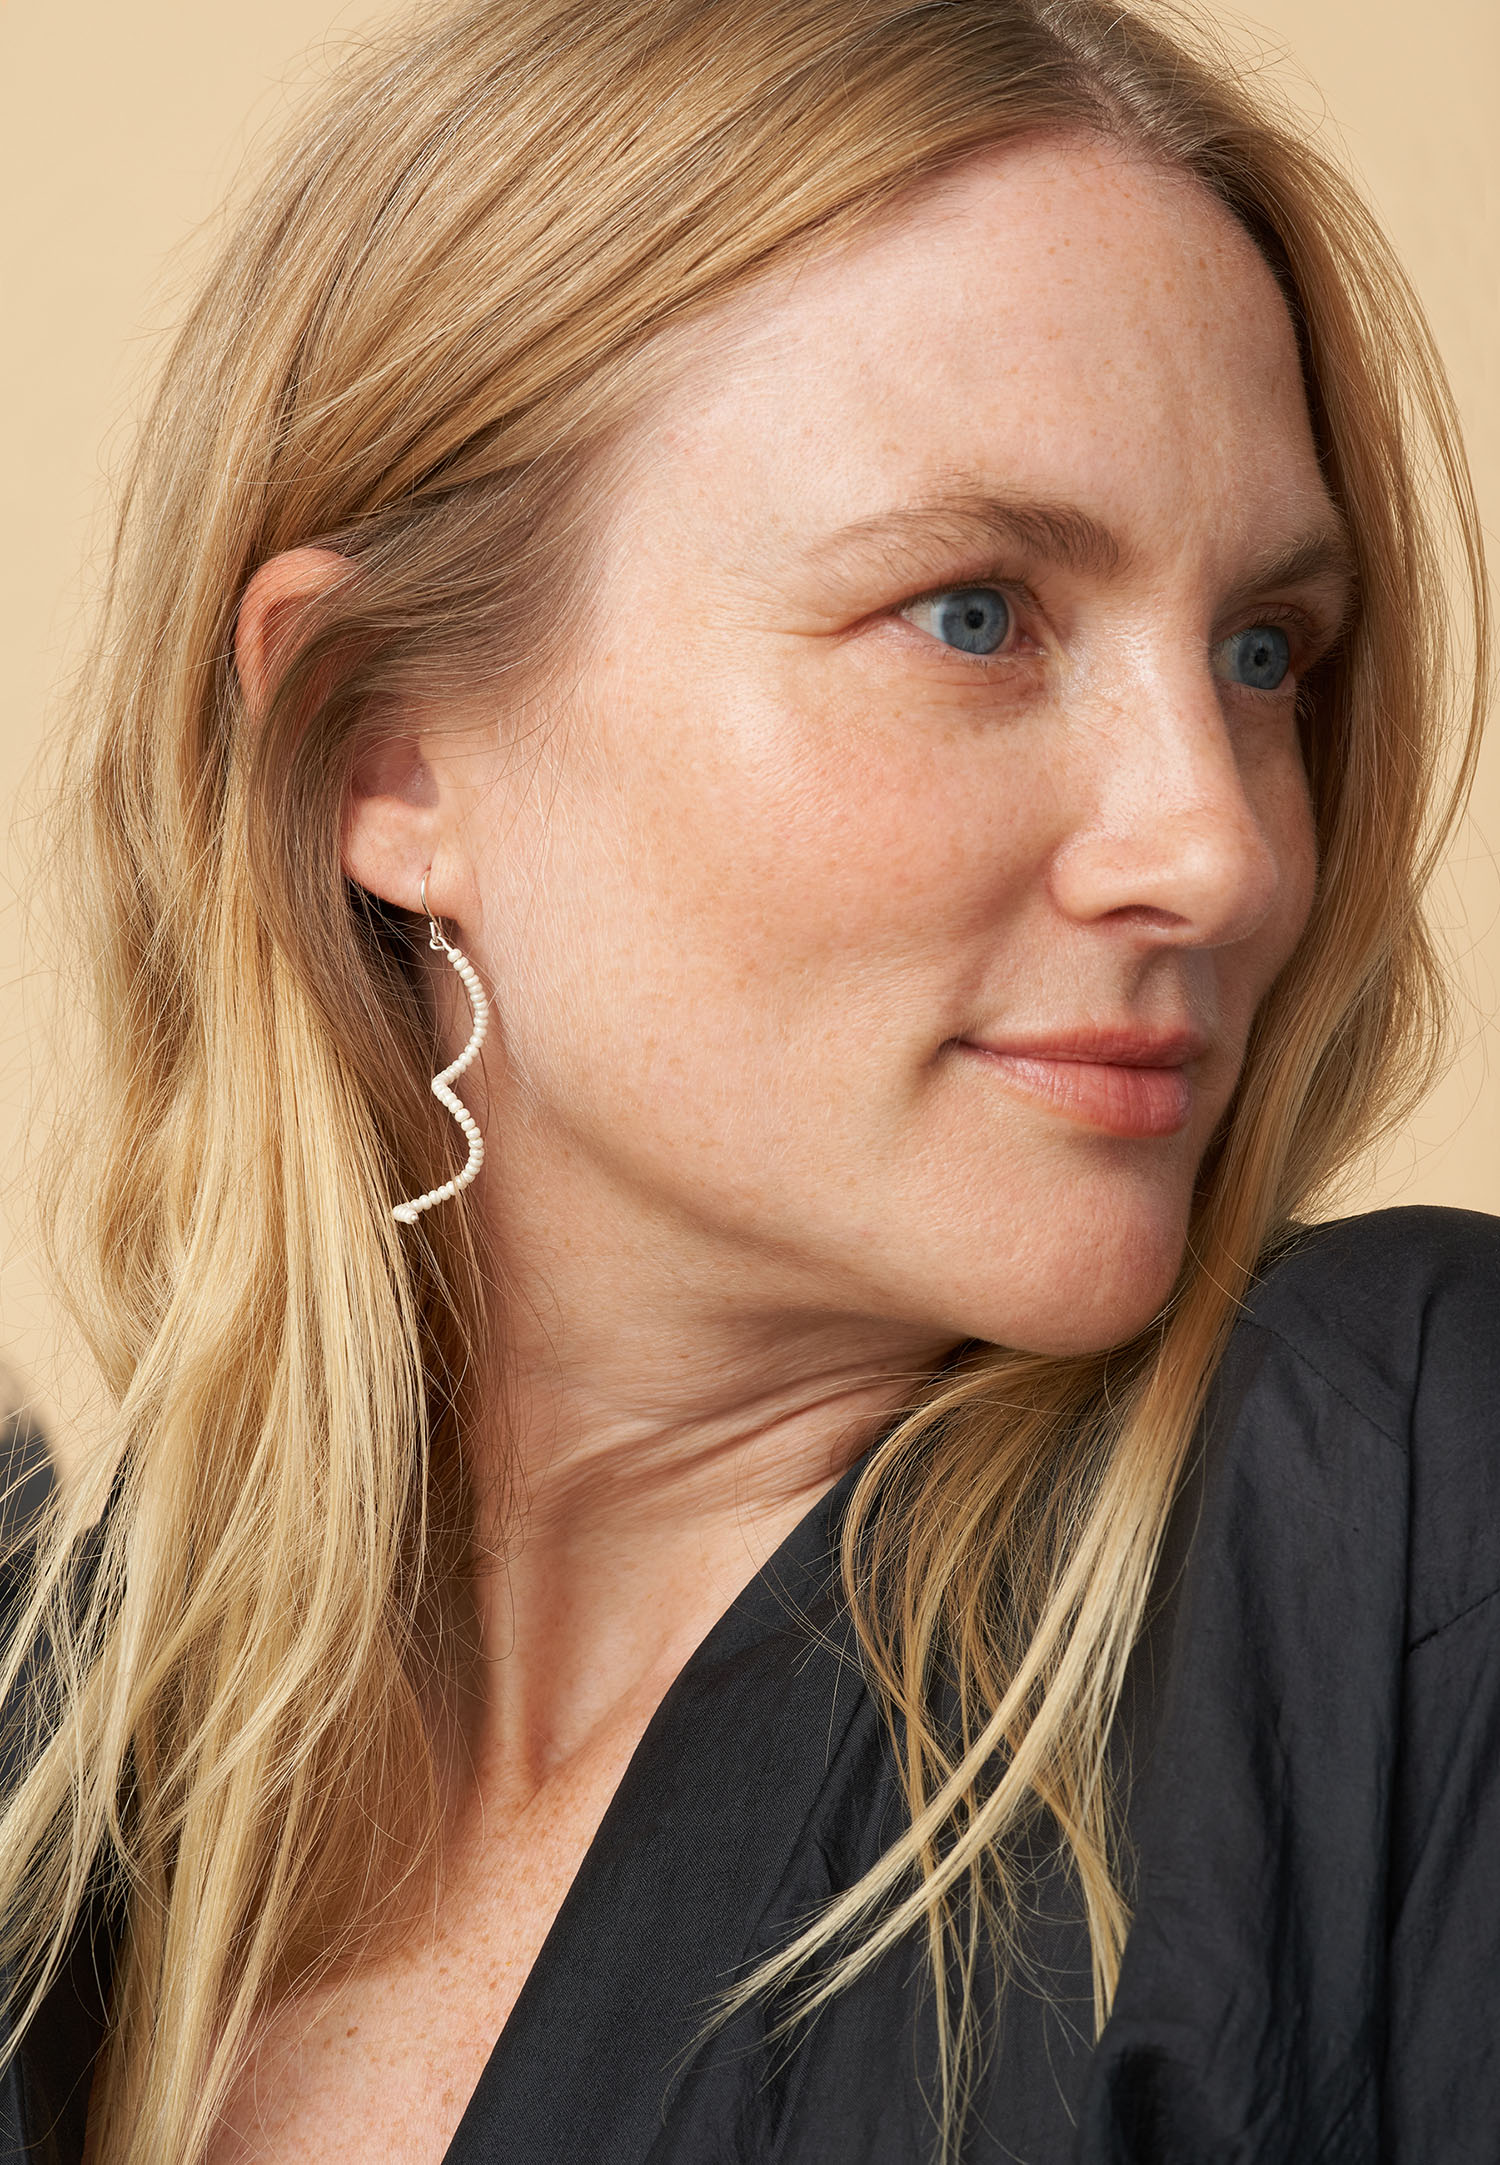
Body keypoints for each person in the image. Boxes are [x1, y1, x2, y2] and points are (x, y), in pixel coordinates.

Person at [1, 0, 1495, 2158]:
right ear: (380, 749)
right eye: (974, 614)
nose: (1226, 848)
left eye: (1265, 651)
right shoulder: (54, 1781)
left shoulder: (1395, 1519)